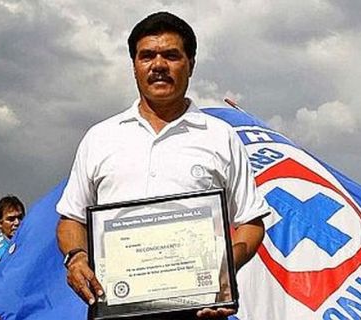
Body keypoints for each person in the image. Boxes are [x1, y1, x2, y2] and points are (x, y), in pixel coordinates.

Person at [56, 11, 270, 319]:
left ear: (191, 65)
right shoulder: (100, 137)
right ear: (134, 66)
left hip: (198, 308)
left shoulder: (221, 137)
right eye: (147, 56)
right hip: (115, 305)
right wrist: (76, 257)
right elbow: (71, 218)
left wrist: (223, 269)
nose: (158, 65)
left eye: (171, 55)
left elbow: (250, 221)